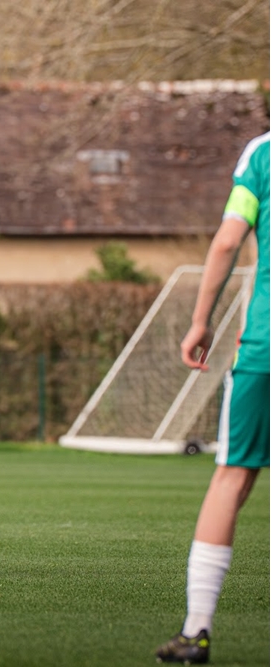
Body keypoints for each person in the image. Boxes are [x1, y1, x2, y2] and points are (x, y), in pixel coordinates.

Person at [156, 133, 269, 664]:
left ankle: (196, 630)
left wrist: (201, 320)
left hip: (264, 346)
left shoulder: (262, 154)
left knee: (232, 477)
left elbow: (227, 242)